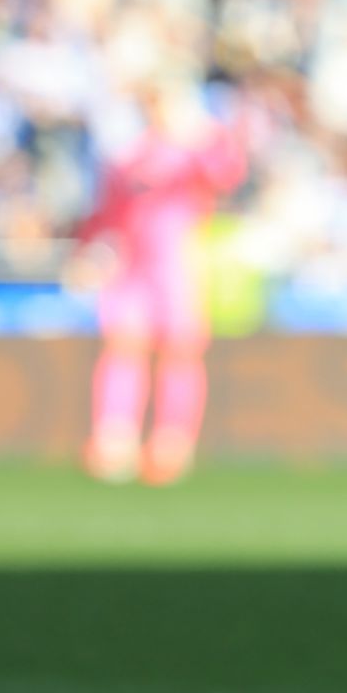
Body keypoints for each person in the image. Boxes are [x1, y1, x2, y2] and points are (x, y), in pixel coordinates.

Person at [76, 78, 246, 487]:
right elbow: (106, 212)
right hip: (132, 266)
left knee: (180, 351)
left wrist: (199, 132)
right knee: (123, 347)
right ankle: (115, 439)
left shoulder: (194, 150)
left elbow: (227, 173)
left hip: (178, 264)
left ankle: (173, 442)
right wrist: (92, 252)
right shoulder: (129, 154)